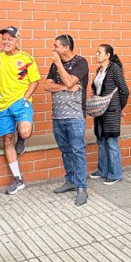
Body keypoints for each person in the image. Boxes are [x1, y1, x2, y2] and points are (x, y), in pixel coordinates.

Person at [46, 34, 91, 205]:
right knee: (65, 150)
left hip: (74, 116)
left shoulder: (81, 62)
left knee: (77, 150)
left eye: (56, 46)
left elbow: (71, 81)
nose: (53, 49)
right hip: (57, 116)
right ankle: (70, 180)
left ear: (66, 47)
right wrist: (65, 87)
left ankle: (81, 187)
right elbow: (47, 86)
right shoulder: (54, 65)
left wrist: (59, 65)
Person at [0, 26, 40, 196]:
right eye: (4, 39)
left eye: (10, 39)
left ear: (17, 41)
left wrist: (25, 98)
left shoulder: (26, 59)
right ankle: (17, 179)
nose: (6, 42)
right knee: (7, 140)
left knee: (25, 131)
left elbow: (35, 81)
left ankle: (22, 138)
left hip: (21, 102)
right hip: (1, 105)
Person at [89, 44, 130, 184]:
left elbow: (124, 90)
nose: (96, 54)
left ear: (107, 55)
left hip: (111, 111)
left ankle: (115, 174)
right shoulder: (99, 70)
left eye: (99, 52)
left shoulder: (115, 69)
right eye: (96, 52)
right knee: (101, 141)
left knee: (112, 142)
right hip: (100, 111)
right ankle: (102, 171)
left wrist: (119, 107)